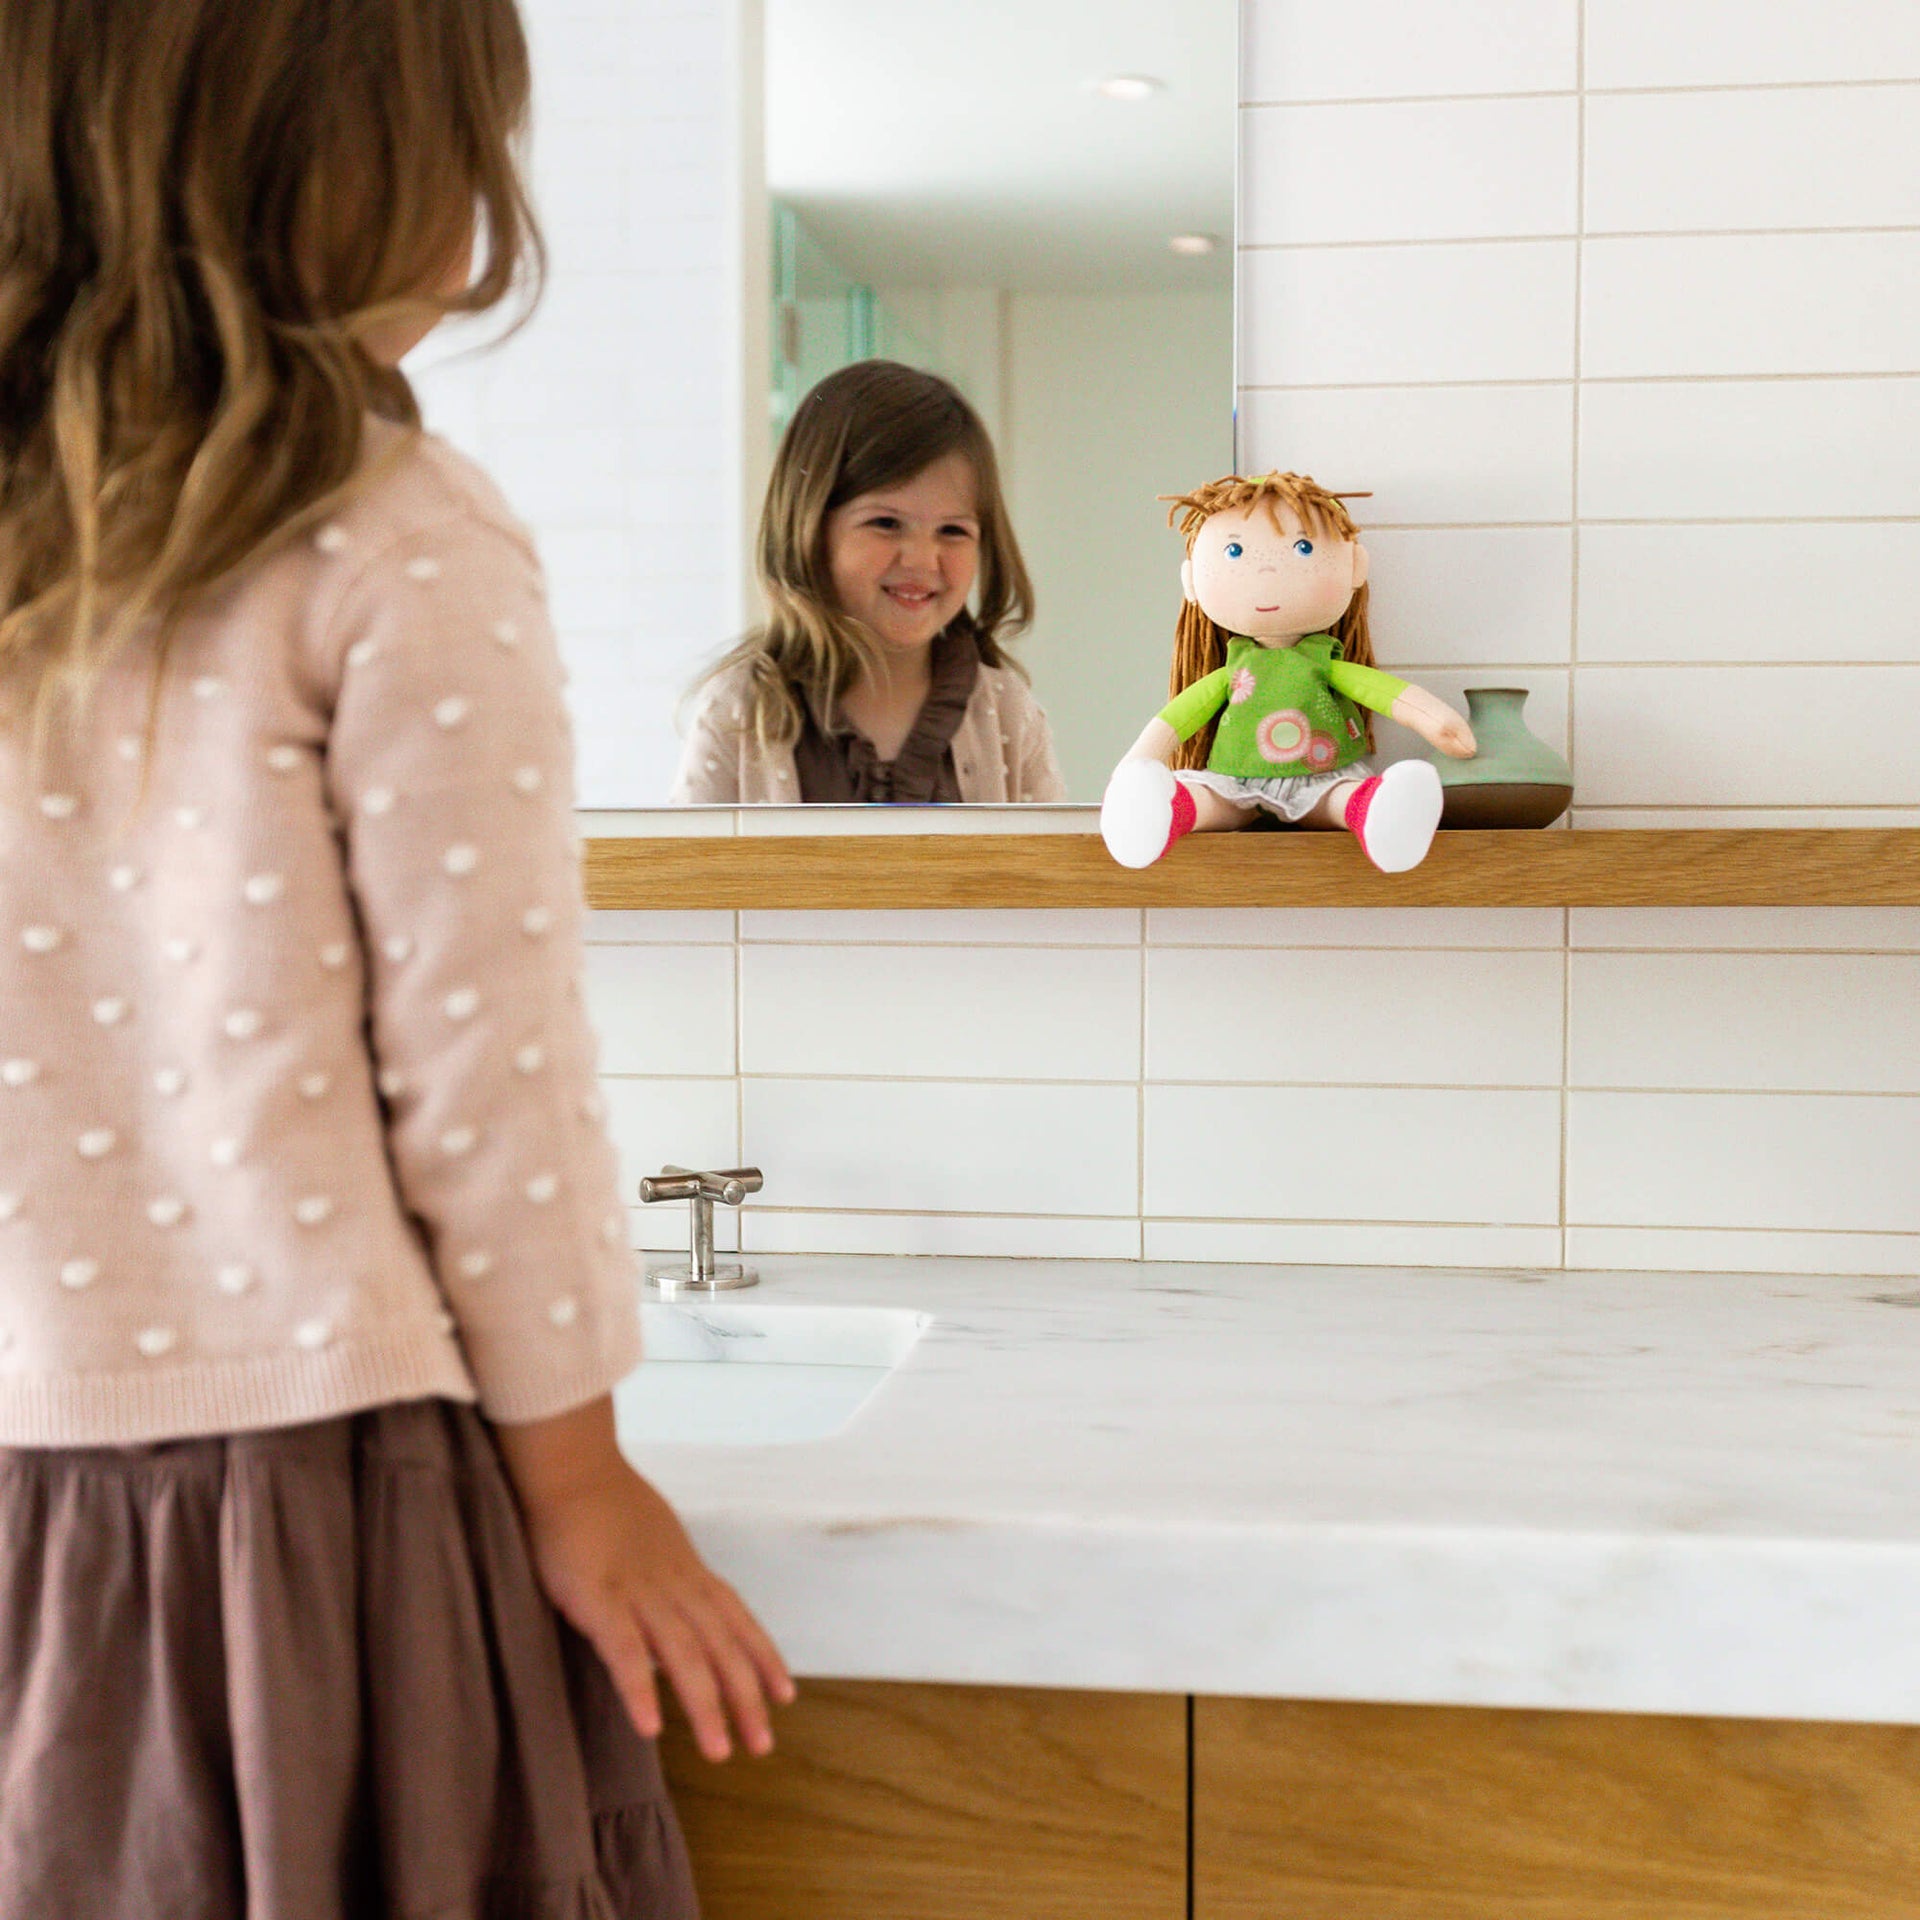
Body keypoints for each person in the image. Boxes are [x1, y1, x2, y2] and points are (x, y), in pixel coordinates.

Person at [0, 2, 790, 1913]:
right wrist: (582, 1485)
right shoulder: (389, 530)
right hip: (303, 1504)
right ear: (352, 161)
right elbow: (487, 1089)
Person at [673, 360, 1066, 804]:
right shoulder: (737, 712)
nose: (922, 559)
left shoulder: (1009, 715)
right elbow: (691, 852)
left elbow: (1054, 853)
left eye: (953, 530)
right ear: (810, 529)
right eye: (886, 523)